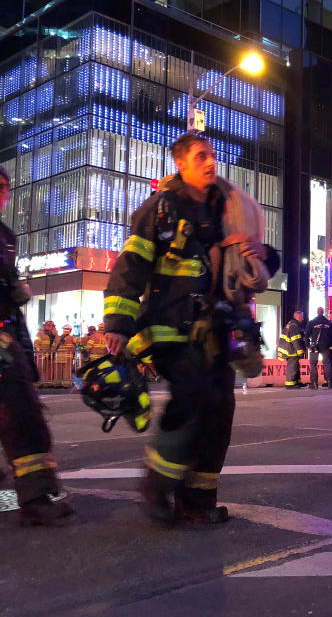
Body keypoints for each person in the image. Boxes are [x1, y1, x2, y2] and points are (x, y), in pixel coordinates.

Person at [104, 131, 279, 525]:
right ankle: (156, 486)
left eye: (211, 155)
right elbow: (131, 266)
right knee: (192, 398)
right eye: (200, 156)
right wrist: (117, 323)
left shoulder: (227, 207)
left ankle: (196, 502)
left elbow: (263, 261)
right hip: (170, 327)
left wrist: (262, 254)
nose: (210, 162)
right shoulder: (161, 208)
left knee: (220, 410)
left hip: (218, 328)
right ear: (180, 163)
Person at [0, 165, 75, 526]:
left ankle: (36, 496)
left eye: (4, 187)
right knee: (20, 417)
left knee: (25, 416)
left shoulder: (5, 236)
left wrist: (24, 354)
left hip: (4, 338)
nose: (1, 192)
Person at [278, 310, 307, 388]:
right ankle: (290, 383)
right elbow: (295, 339)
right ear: (298, 317)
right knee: (292, 366)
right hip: (291, 350)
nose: (303, 318)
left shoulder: (291, 324)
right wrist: (300, 350)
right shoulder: (294, 326)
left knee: (296, 366)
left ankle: (297, 381)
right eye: (302, 317)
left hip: (289, 348)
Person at [305, 306, 330, 389]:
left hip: (314, 346)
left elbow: (307, 335)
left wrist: (308, 345)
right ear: (323, 312)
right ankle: (329, 382)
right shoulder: (328, 322)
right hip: (325, 346)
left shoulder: (312, 322)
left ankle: (314, 383)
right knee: (326, 363)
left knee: (313, 364)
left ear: (317, 312)